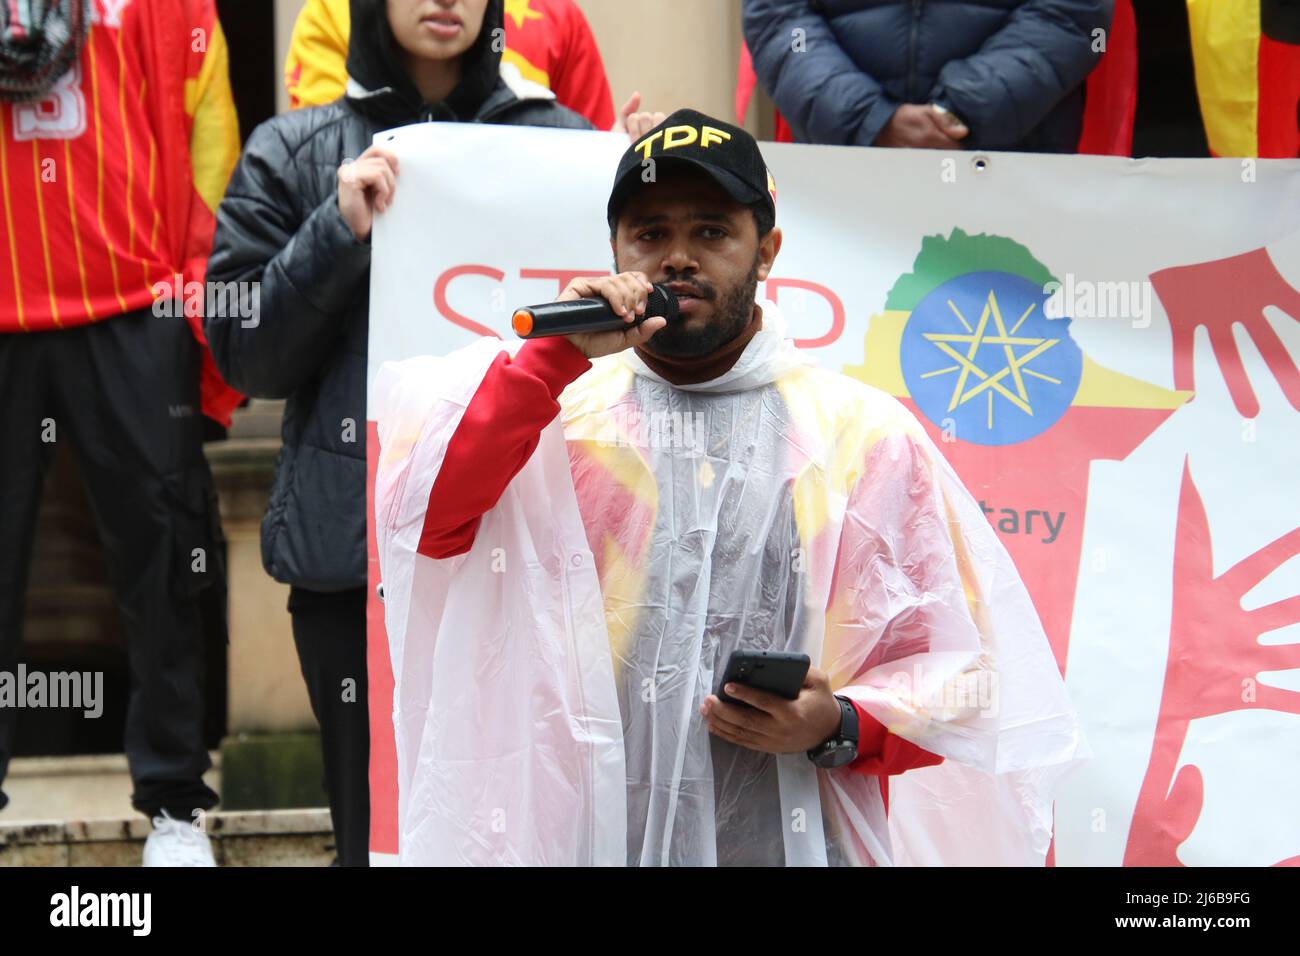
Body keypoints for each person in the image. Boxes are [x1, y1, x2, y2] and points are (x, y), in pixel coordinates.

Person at [373, 109, 1089, 865]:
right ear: (614, 251)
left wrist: (837, 724)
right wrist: (551, 364)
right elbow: (426, 531)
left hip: (796, 834)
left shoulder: (860, 435)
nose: (678, 259)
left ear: (767, 250)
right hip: (582, 831)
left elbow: (958, 674)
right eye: (650, 235)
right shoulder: (551, 412)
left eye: (712, 232)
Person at [205, 0, 661, 867]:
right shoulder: (294, 151)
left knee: (554, 823)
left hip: (550, 545)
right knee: (380, 836)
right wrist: (334, 235)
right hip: (358, 557)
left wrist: (645, 189)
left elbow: (639, 336)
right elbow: (245, 355)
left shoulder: (568, 143)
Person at [0, 0, 242, 866]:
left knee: (167, 553)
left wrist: (197, 294)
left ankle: (176, 806)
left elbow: (208, 130)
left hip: (133, 300)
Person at [742, 0, 1111, 152]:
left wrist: (960, 113)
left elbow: (1071, 14)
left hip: (1009, 170)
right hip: (847, 180)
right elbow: (779, 17)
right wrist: (869, 120)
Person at [284, 0, 617, 129]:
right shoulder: (329, 11)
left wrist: (619, 168)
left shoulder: (557, 16)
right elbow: (325, 159)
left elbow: (585, 163)